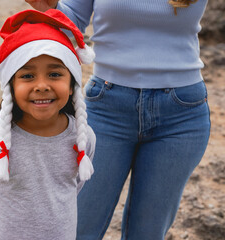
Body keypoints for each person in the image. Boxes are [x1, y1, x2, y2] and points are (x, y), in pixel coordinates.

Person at [25, 1, 211, 240]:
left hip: (180, 116)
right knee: (77, 228)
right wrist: (47, 6)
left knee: (147, 234)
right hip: (107, 108)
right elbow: (70, 22)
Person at [0, 9, 97, 240]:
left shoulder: (83, 138)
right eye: (27, 76)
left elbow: (72, 188)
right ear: (10, 85)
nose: (42, 85)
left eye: (55, 74)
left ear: (72, 81)